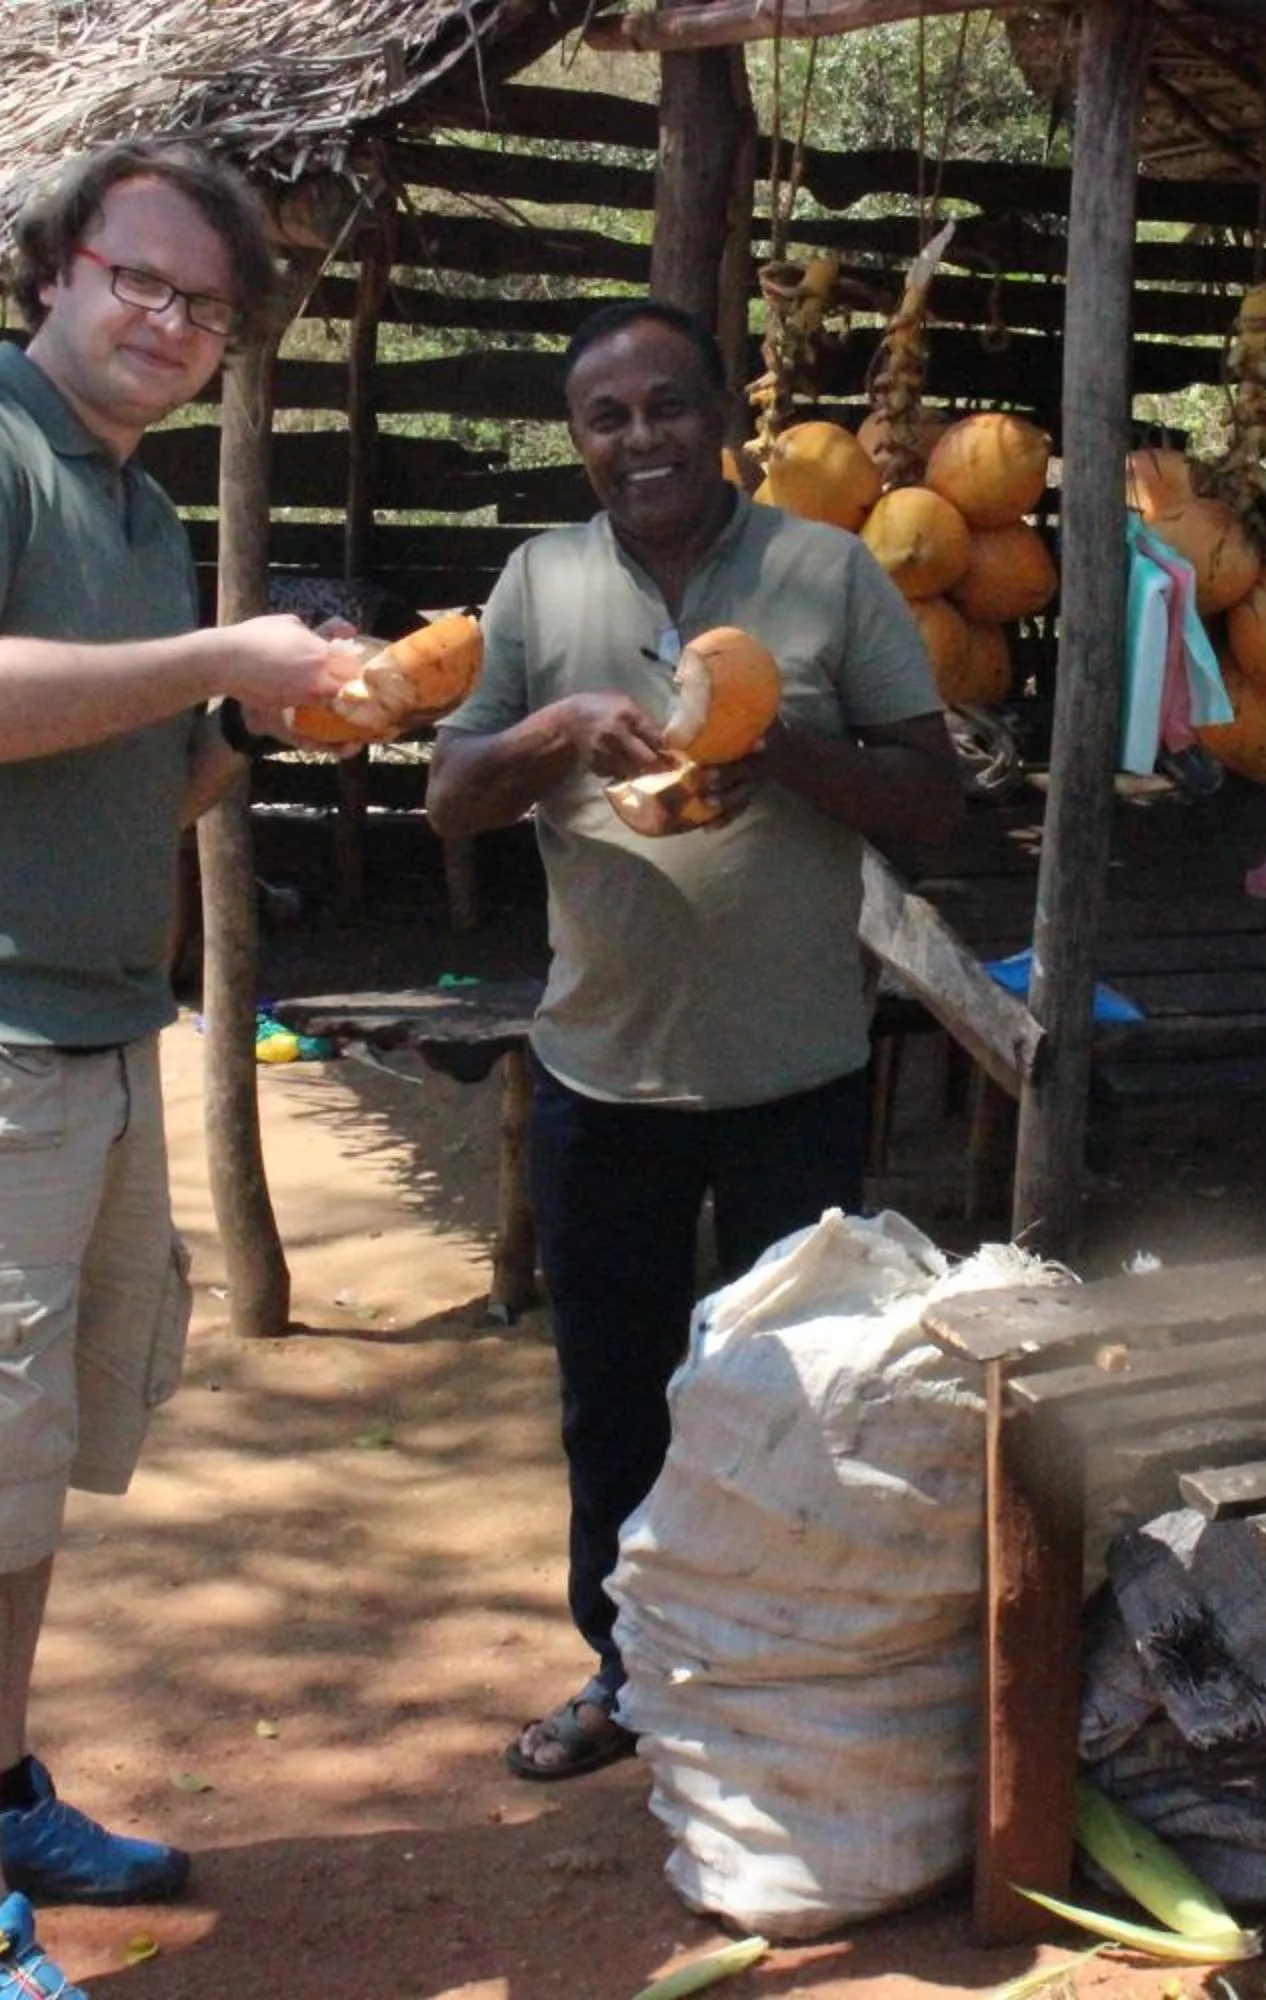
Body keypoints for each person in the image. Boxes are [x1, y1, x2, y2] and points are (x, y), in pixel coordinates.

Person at [0, 139, 356, 2000]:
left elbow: (141, 766)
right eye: (148, 280)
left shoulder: (131, 505)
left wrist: (262, 722)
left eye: (210, 308)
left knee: (18, 1475)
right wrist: (215, 651)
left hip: (94, 1040)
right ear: (58, 265)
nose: (175, 324)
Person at [425, 300, 965, 1782]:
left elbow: (933, 797)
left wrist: (774, 743)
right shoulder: (538, 587)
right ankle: (625, 1671)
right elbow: (452, 793)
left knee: (802, 1403)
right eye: (608, 417)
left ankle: (789, 1684)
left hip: (799, 1072)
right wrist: (562, 731)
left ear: (723, 413)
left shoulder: (827, 570)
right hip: (603, 1078)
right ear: (578, 441)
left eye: (668, 405)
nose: (641, 437)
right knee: (614, 1399)